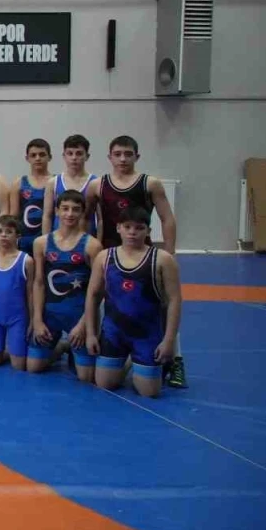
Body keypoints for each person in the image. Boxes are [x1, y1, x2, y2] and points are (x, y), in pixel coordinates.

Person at [92, 134, 184, 388]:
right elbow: (86, 219)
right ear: (109, 157)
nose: (123, 159)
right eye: (118, 154)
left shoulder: (149, 183)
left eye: (128, 154)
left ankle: (175, 359)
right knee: (109, 303)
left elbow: (167, 217)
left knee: (159, 305)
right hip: (110, 252)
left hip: (144, 254)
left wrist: (170, 252)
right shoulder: (98, 185)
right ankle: (108, 349)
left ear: (137, 156)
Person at [85, 207, 181, 398]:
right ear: (118, 228)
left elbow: (174, 300)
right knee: (104, 384)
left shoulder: (163, 259)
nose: (132, 232)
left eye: (139, 228)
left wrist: (169, 340)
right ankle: (129, 362)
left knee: (149, 392)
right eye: (127, 227)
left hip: (147, 334)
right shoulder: (105, 257)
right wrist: (91, 334)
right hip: (113, 332)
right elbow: (93, 295)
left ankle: (139, 363)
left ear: (148, 231)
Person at [29, 190, 99, 379]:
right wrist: (37, 320)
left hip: (78, 316)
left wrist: (84, 325)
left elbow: (97, 291)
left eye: (75, 209)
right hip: (50, 314)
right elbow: (39, 282)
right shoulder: (41, 243)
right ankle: (62, 346)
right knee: (33, 367)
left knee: (85, 377)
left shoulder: (92, 246)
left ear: (82, 212)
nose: (70, 214)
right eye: (65, 208)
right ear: (57, 211)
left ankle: (78, 348)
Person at [0, 216, 33, 369]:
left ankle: (60, 348)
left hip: (17, 318)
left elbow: (31, 292)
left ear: (18, 236)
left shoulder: (26, 260)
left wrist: (33, 319)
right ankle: (8, 351)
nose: (3, 235)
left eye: (9, 232)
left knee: (19, 366)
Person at [42, 134, 99, 237]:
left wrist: (99, 242)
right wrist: (46, 241)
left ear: (87, 156)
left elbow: (100, 219)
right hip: (58, 240)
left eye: (79, 153)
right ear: (64, 156)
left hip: (86, 239)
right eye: (70, 153)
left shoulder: (96, 183)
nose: (74, 158)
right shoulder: (53, 183)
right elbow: (47, 216)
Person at [13, 139, 53, 254]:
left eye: (42, 155)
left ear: (49, 157)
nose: (38, 158)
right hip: (25, 239)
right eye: (33, 155)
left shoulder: (57, 181)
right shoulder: (19, 183)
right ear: (27, 158)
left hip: (50, 238)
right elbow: (13, 216)